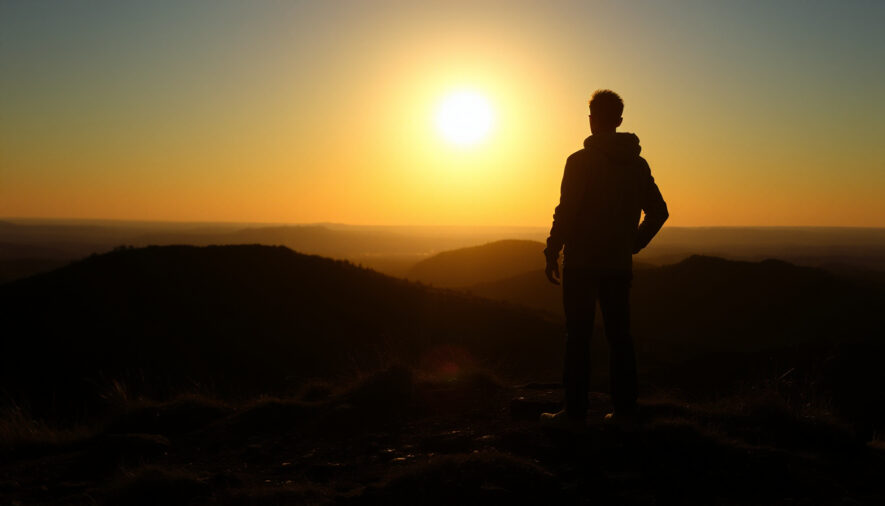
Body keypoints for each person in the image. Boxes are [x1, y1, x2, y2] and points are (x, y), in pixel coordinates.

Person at [540, 89, 668, 430]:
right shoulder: (638, 165)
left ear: (593, 119)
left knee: (578, 337)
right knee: (619, 337)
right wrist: (632, 245)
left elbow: (566, 212)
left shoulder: (579, 162)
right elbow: (659, 212)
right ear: (620, 121)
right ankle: (625, 411)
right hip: (617, 264)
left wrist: (553, 249)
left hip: (581, 262)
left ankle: (575, 414)